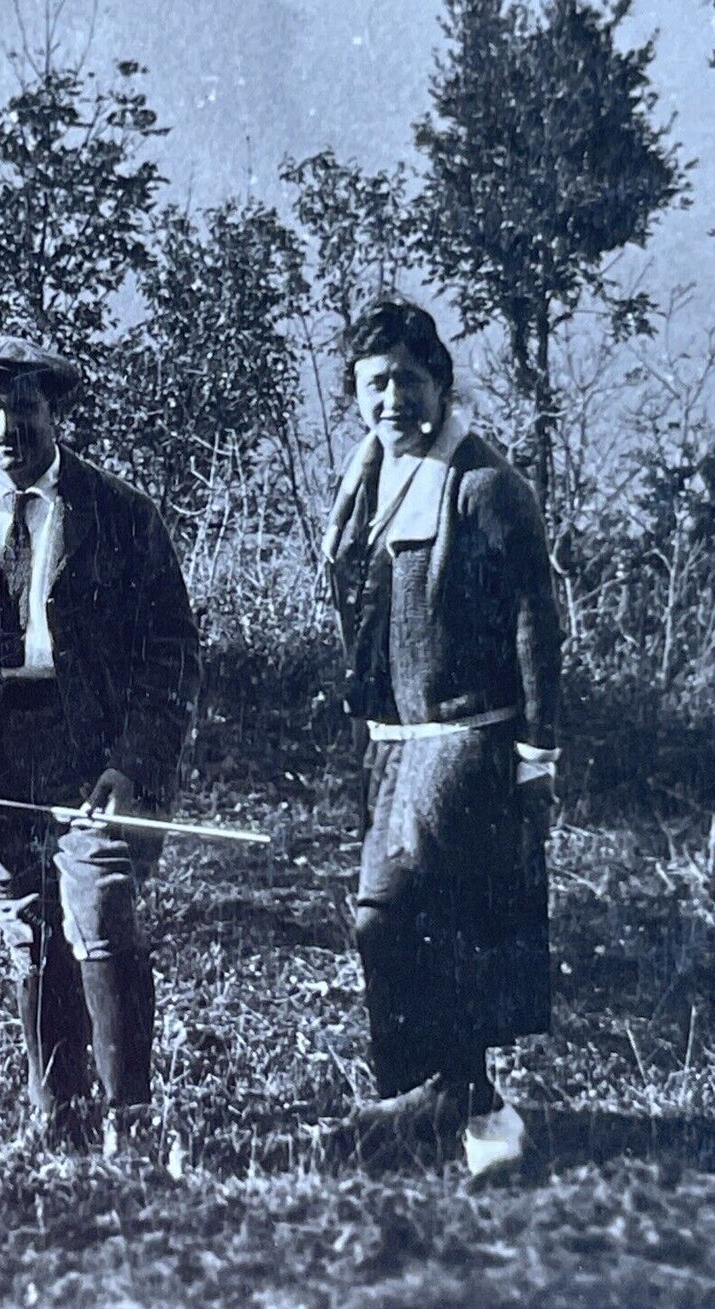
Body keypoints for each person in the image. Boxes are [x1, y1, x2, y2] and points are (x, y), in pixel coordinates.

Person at [0, 335, 200, 1153]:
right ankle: (56, 1114)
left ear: (51, 410)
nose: (5, 429)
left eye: (21, 408)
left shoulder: (121, 517)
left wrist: (132, 765)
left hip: (94, 758)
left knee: (97, 911)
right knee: (27, 924)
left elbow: (170, 655)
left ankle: (129, 1122)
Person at [322, 299, 561, 1178]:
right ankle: (466, 1107)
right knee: (423, 927)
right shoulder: (369, 475)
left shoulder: (484, 484)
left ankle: (435, 1098)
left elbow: (536, 623)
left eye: (407, 381)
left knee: (388, 920)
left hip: (465, 734)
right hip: (390, 741)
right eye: (374, 384)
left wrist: (536, 753)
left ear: (441, 381)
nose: (391, 400)